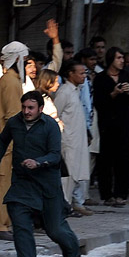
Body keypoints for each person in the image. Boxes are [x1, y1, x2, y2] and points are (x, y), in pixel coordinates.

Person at [0, 91, 81, 257]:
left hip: (47, 185)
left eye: (31, 108)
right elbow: (2, 141)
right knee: (20, 223)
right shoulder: (14, 122)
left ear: (40, 108)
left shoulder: (50, 126)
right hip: (23, 183)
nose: (27, 112)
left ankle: (73, 256)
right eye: (24, 107)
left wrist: (38, 162)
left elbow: (55, 155)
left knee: (55, 229)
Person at [0, 41, 29, 241]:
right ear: (18, 59)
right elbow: (13, 118)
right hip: (7, 146)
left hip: (5, 143)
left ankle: (3, 223)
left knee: (4, 184)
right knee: (2, 184)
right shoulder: (11, 82)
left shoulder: (8, 79)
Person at [93, 47, 129, 206]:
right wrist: (113, 94)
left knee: (123, 160)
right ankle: (106, 194)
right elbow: (99, 102)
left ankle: (121, 194)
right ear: (111, 59)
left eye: (122, 58)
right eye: (119, 58)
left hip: (124, 124)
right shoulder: (101, 78)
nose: (122, 61)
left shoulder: (127, 76)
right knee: (105, 161)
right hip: (107, 125)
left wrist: (128, 92)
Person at [55, 61, 93, 216]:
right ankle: (63, 207)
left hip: (77, 140)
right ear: (71, 74)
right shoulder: (64, 92)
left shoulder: (76, 91)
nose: (84, 76)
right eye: (81, 73)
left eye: (85, 73)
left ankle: (69, 205)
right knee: (67, 175)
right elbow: (55, 114)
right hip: (68, 140)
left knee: (75, 174)